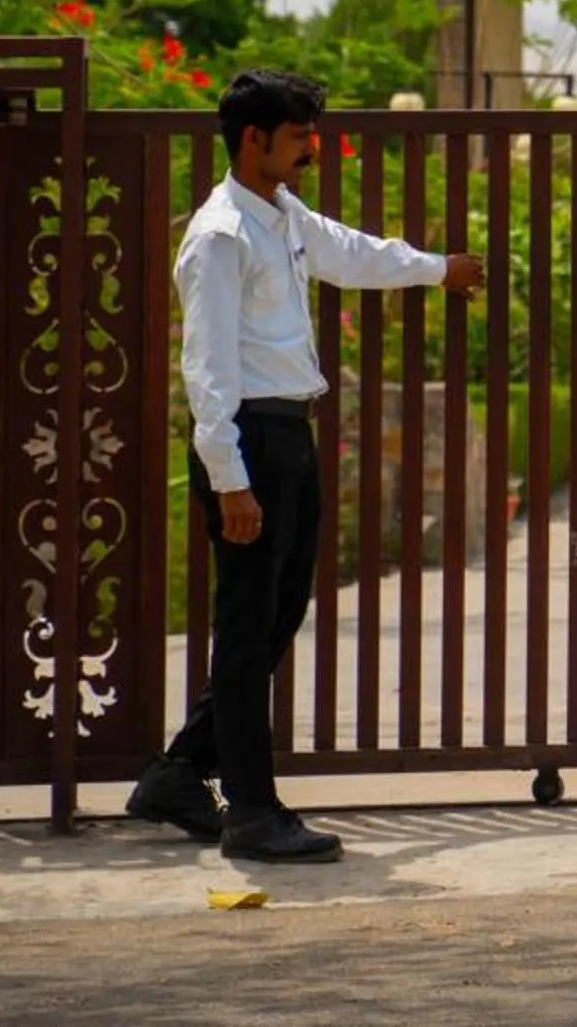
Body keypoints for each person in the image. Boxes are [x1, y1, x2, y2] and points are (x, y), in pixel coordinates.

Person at [124, 71, 483, 862]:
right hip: (250, 439)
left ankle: (179, 773)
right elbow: (206, 368)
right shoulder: (220, 236)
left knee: (275, 618)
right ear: (253, 139)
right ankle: (253, 812)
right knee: (248, 630)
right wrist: (231, 478)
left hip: (288, 434)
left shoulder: (280, 215)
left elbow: (351, 254)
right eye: (298, 136)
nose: (311, 148)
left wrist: (438, 268)